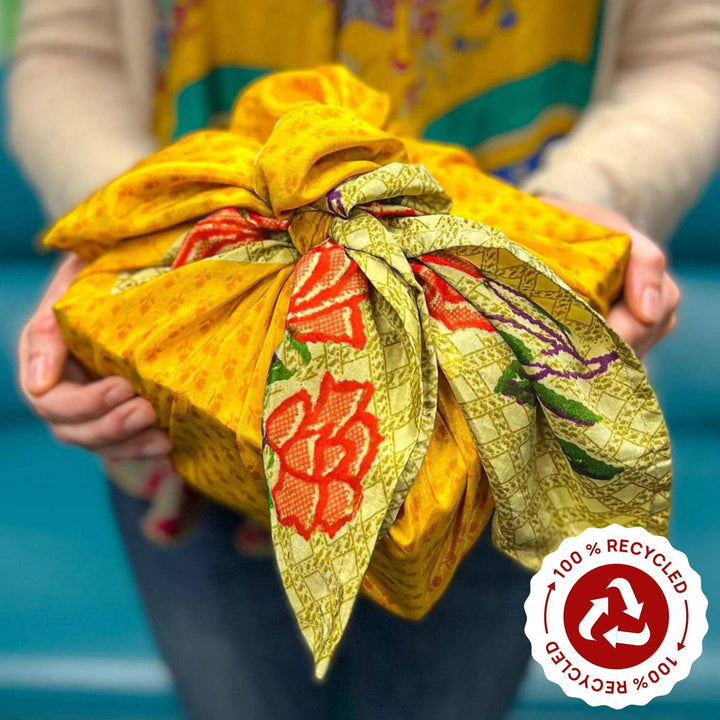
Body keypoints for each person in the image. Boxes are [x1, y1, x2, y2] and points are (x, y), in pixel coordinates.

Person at [8, 1, 720, 718]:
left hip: (500, 412)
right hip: (186, 429)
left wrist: (579, 206)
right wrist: (133, 221)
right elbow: (73, 52)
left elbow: (689, 52)